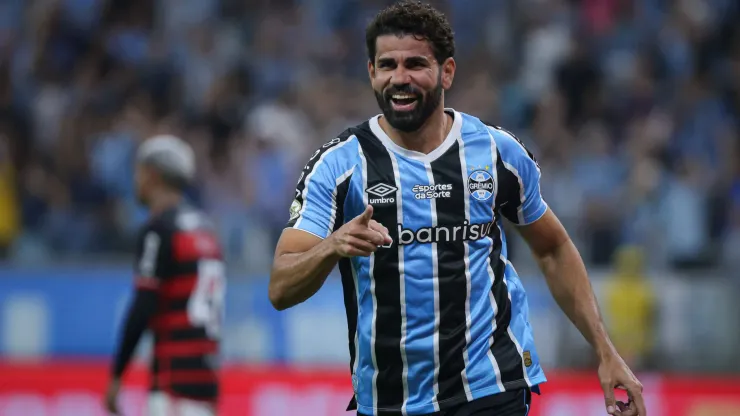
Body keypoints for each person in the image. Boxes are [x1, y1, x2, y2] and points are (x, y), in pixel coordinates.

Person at [268, 2, 646, 415]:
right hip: (390, 400)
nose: (400, 78)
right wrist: (331, 247)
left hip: (490, 386)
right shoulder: (339, 165)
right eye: (387, 65)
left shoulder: (496, 152)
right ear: (371, 72)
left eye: (415, 64)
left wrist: (605, 351)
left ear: (447, 71)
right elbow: (281, 286)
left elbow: (552, 249)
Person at [105, 135, 226, 416]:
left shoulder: (160, 230)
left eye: (138, 171)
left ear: (152, 174)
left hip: (173, 381)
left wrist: (116, 375)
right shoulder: (206, 230)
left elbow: (143, 306)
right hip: (207, 381)